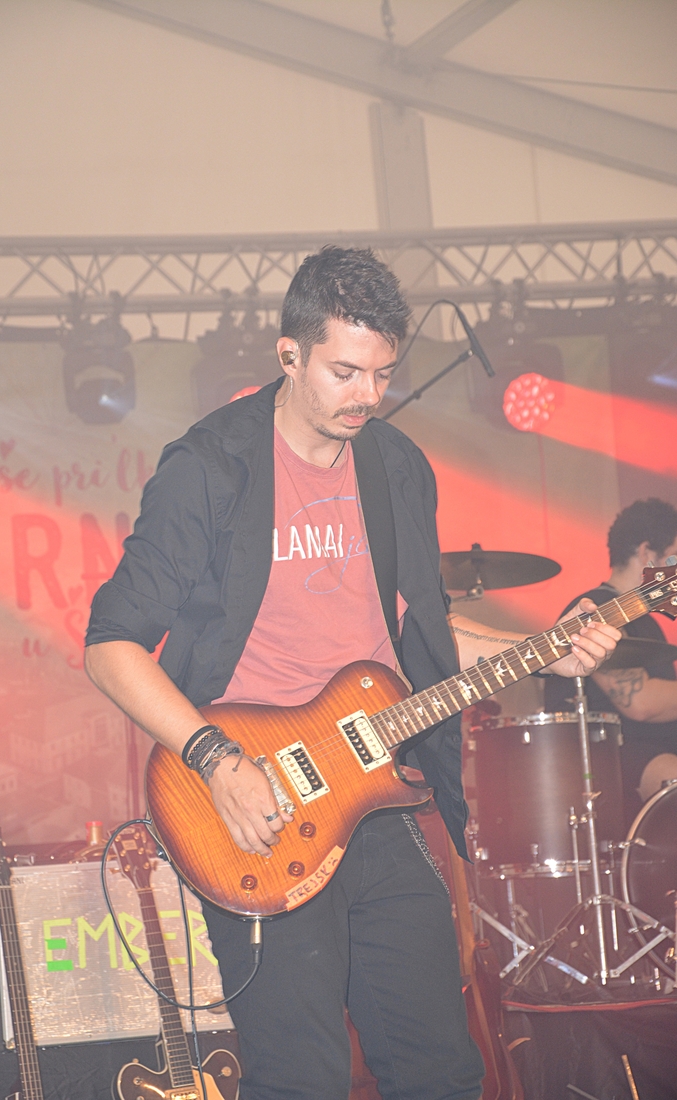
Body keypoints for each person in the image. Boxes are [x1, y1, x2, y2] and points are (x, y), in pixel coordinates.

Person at [84, 247, 619, 1100]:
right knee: (301, 1078)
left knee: (440, 1070)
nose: (366, 395)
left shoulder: (396, 466)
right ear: (289, 354)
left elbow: (422, 635)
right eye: (343, 372)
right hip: (257, 809)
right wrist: (217, 761)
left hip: (379, 801)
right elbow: (109, 644)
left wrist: (545, 648)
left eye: (381, 373)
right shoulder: (210, 469)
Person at [546, 498, 677, 826]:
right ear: (647, 553)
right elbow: (641, 703)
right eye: (675, 556)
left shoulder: (647, 619)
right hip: (609, 760)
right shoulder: (597, 610)